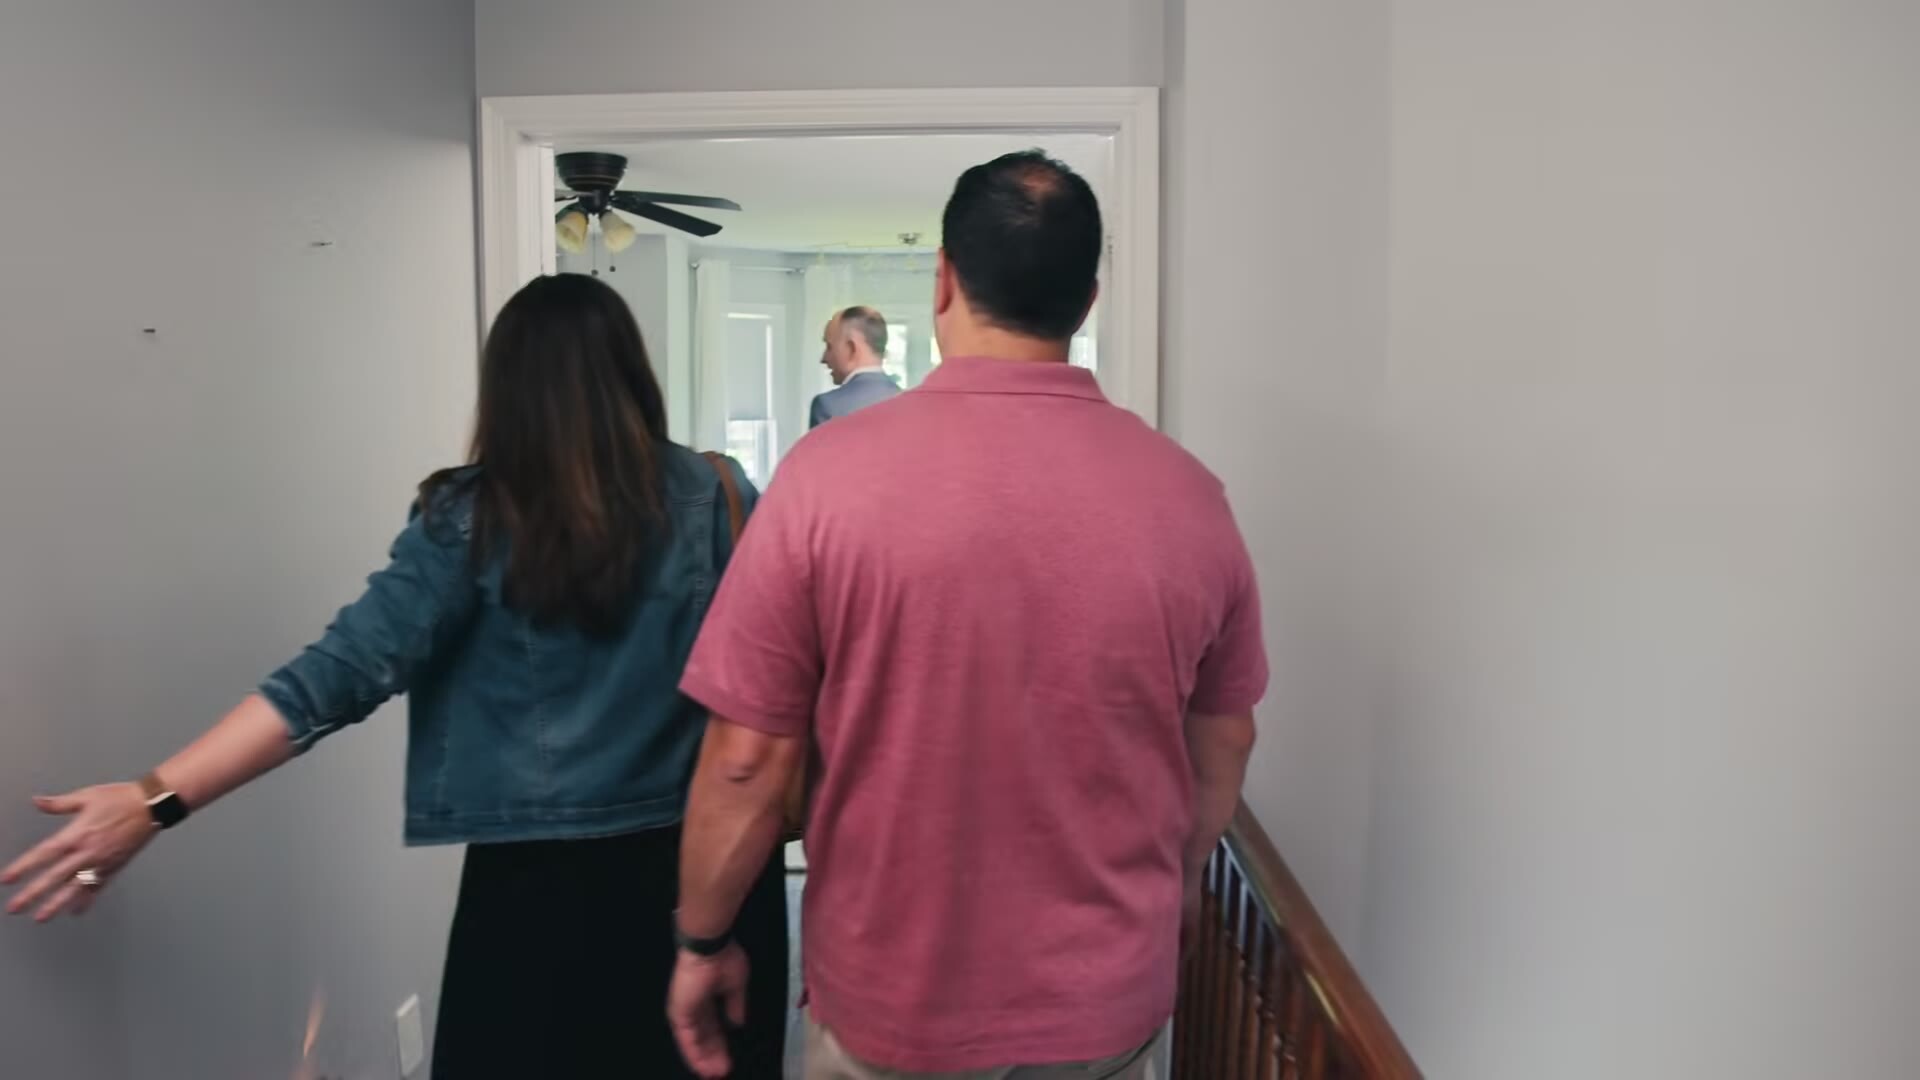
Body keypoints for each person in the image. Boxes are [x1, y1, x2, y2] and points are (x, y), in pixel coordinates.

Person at [0, 274, 789, 1078]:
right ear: (633, 374)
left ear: (507, 388)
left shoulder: (471, 517)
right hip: (713, 872)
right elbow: (781, 694)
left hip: (538, 892)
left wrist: (154, 800)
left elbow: (335, 676)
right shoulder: (719, 494)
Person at [664, 151, 1268, 1079]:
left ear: (942, 280)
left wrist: (703, 941)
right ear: (1088, 300)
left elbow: (746, 760)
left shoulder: (824, 479)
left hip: (891, 1004)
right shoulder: (1190, 498)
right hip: (1104, 1004)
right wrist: (1179, 882)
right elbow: (1223, 738)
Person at [809, 305, 901, 427]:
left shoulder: (827, 406)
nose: (824, 358)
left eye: (830, 347)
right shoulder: (909, 404)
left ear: (851, 348)